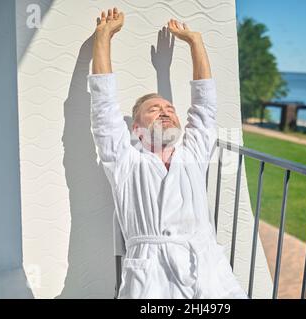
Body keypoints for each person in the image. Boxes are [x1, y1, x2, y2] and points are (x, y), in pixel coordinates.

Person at [89, 7, 248, 299]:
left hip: (208, 277)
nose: (166, 112)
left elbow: (204, 108)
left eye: (170, 109)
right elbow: (103, 109)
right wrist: (103, 37)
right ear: (136, 129)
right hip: (151, 281)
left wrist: (195, 42)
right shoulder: (126, 162)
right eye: (154, 109)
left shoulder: (192, 155)